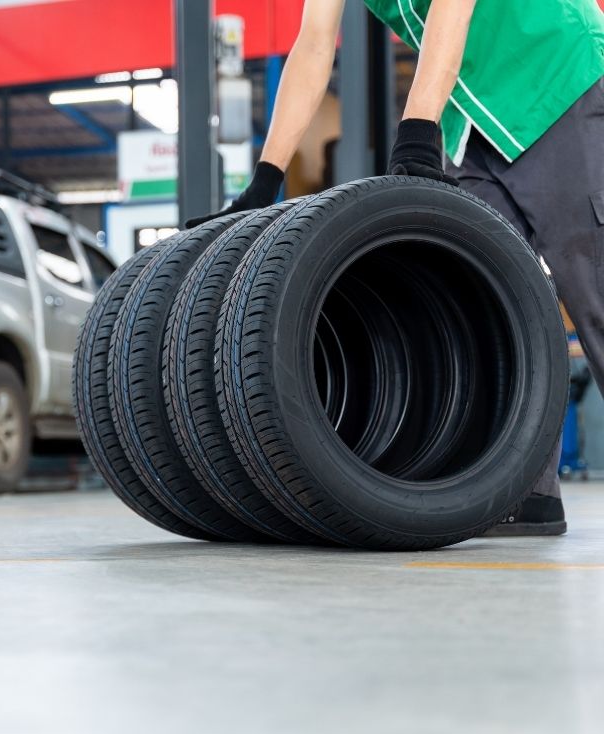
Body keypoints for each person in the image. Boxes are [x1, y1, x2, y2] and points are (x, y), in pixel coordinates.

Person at [187, 0, 604, 536]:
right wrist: (267, 177)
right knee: (502, 311)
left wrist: (416, 128)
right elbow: (314, 45)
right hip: (473, 117)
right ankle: (527, 493)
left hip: (556, 75)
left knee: (593, 288)